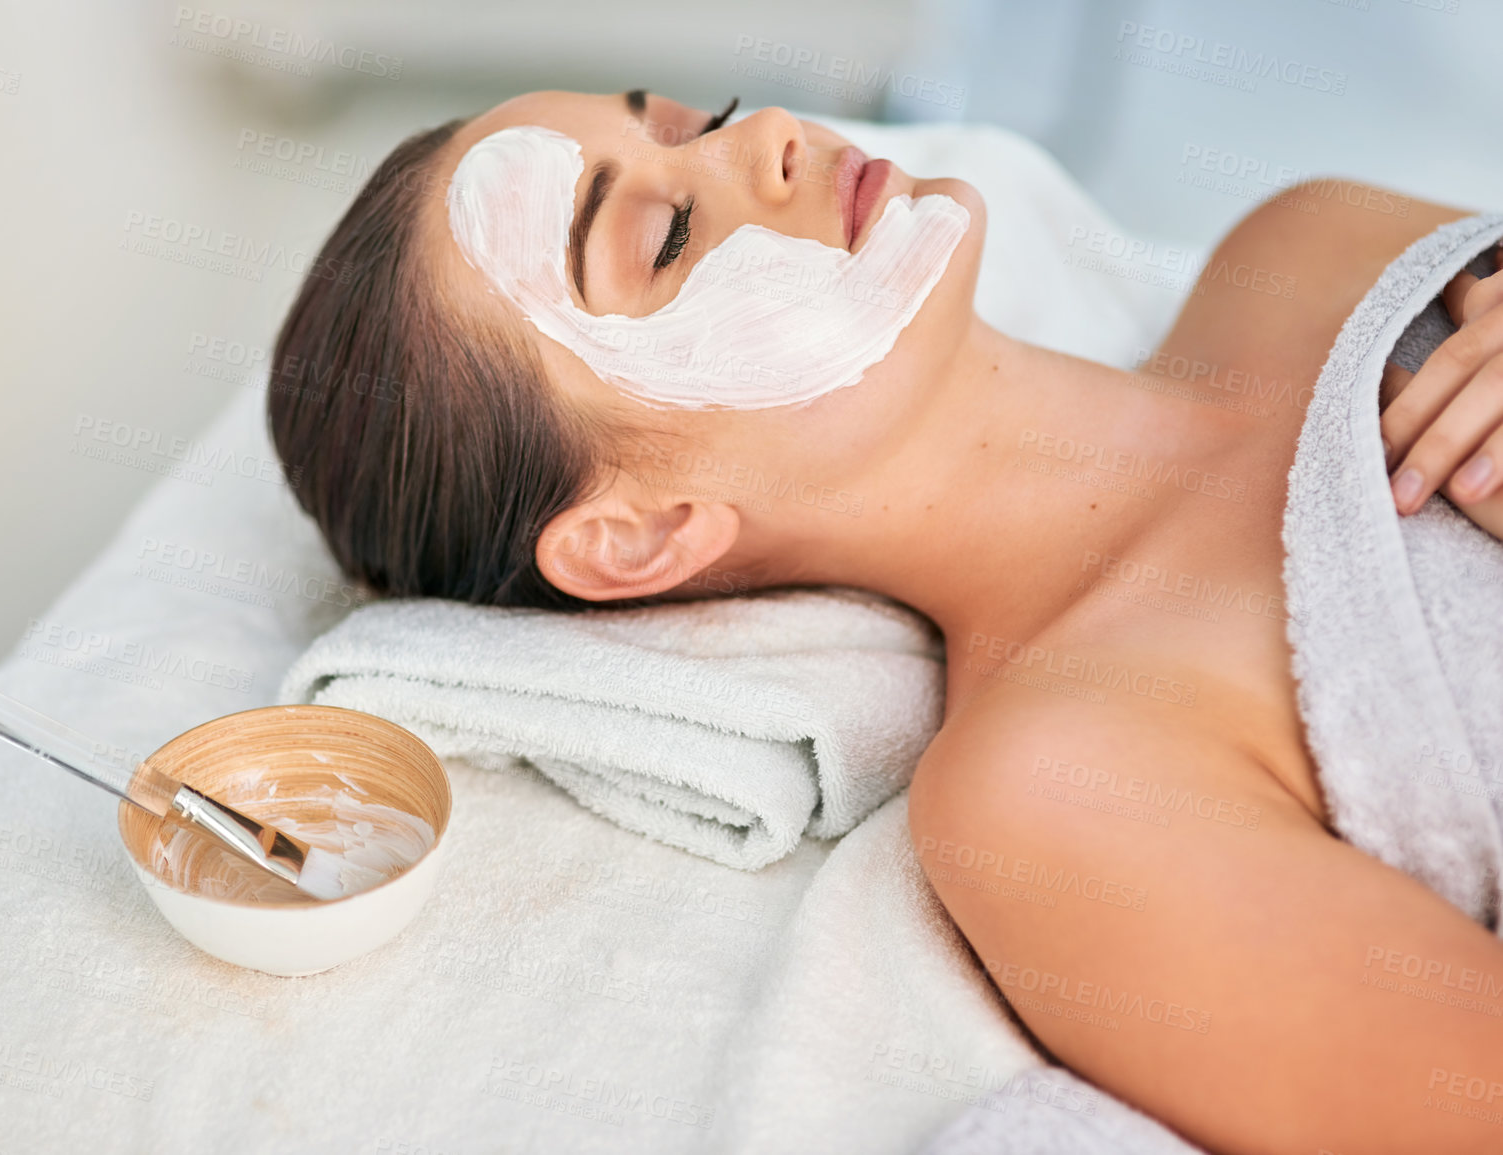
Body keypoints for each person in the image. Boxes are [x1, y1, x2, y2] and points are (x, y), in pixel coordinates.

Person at [268, 89, 1503, 1154]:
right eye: (668, 234)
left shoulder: (1306, 245)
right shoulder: (1063, 790)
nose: (775, 146)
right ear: (639, 535)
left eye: (704, 123)